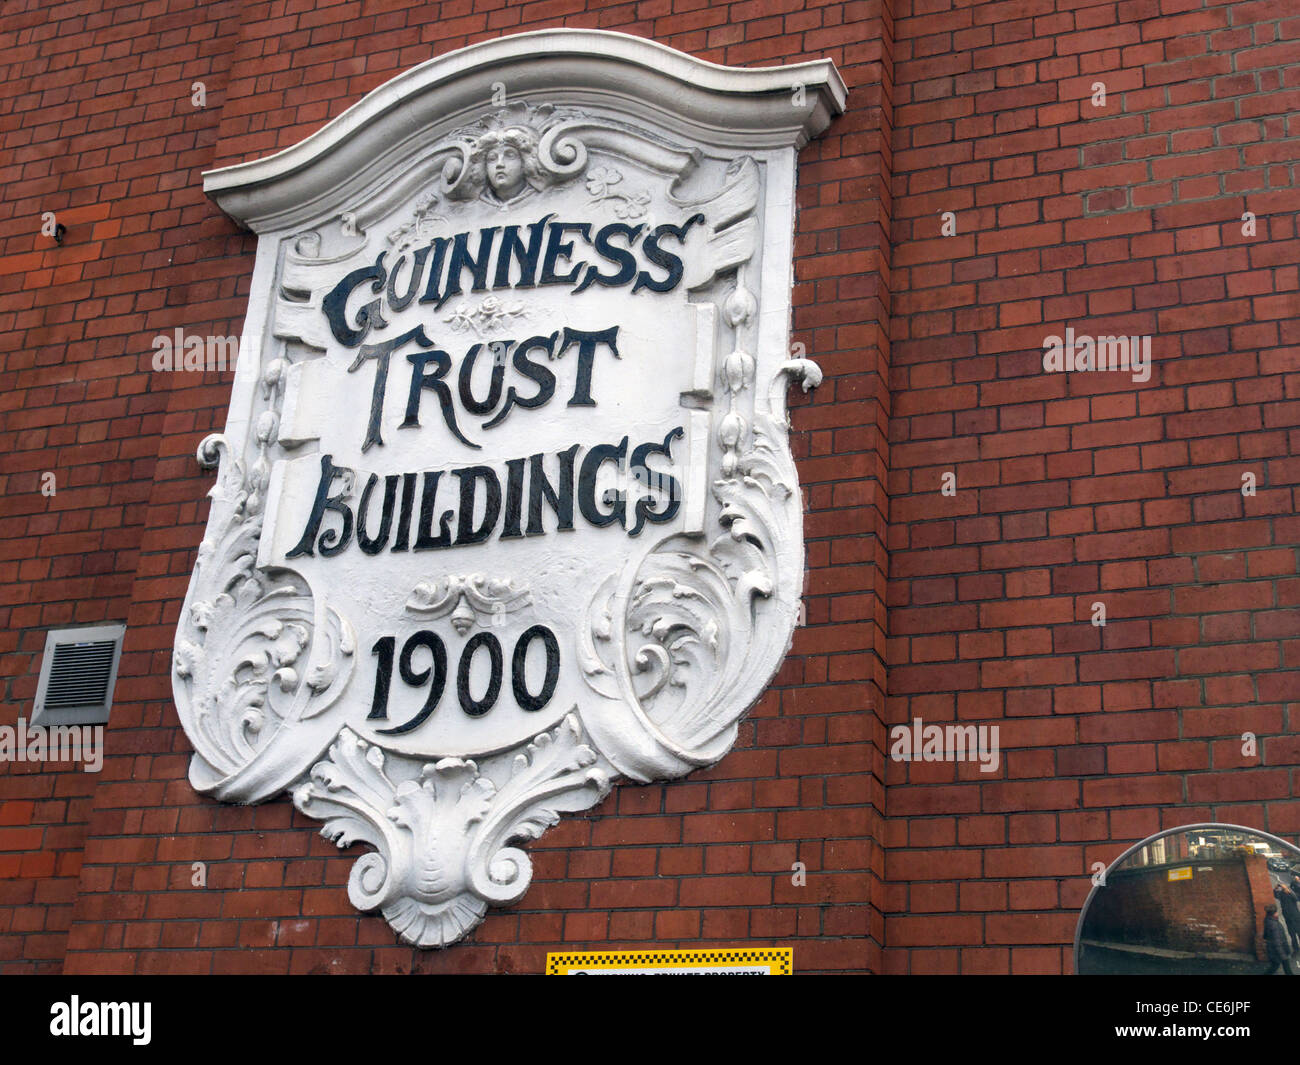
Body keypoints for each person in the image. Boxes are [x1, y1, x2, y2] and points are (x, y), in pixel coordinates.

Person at [1265, 904, 1294, 974]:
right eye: (1276, 912)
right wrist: (1283, 955)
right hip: (1279, 951)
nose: (1278, 913)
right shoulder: (1274, 925)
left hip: (1274, 950)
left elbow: (1265, 935)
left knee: (1275, 966)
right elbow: (1277, 942)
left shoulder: (1268, 920)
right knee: (1286, 968)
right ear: (1274, 914)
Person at [1276, 883, 1300, 953]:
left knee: (1299, 932)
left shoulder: (1291, 893)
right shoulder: (1281, 894)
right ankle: (1296, 948)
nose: (1283, 889)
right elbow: (1275, 894)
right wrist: (1276, 888)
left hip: (1296, 917)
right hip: (1288, 918)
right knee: (1292, 934)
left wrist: (1289, 891)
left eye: (1284, 888)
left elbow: (1296, 898)